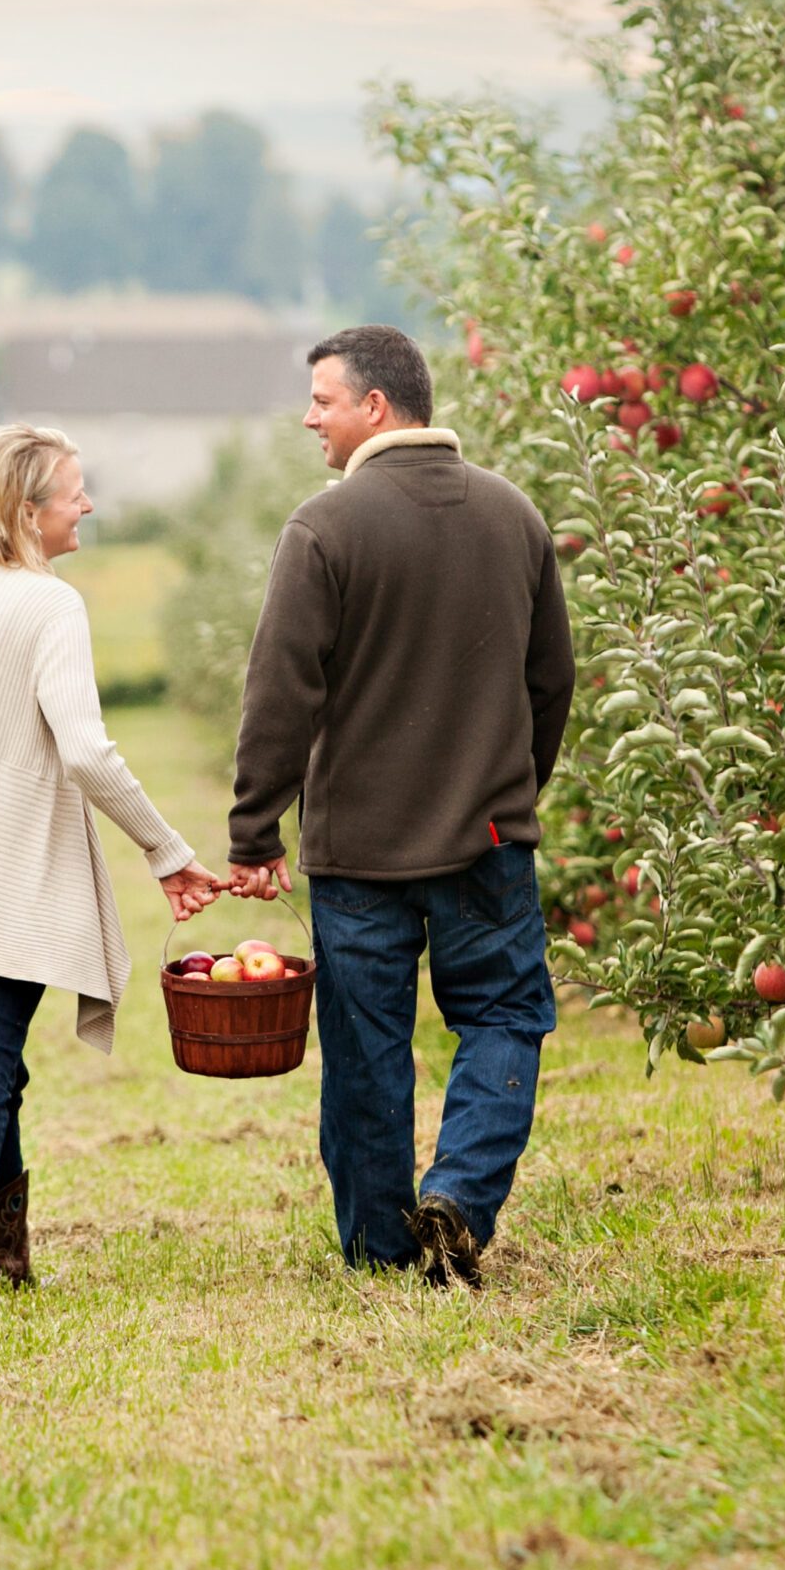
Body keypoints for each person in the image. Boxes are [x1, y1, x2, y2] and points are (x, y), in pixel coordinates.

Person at [227, 326, 576, 1285]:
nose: (310, 419)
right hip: (488, 840)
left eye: (323, 401)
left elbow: (279, 690)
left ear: (376, 407)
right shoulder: (513, 516)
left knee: (367, 1051)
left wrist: (255, 828)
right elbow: (553, 681)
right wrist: (509, 789)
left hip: (359, 853)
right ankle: (459, 1196)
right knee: (504, 1015)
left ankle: (382, 1250)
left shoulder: (325, 529)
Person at [0, 423, 226, 1311]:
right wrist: (166, 850)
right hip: (6, 872)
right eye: (75, 491)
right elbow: (89, 754)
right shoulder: (47, 604)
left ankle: (1, 1257)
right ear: (30, 511)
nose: (89, 505)